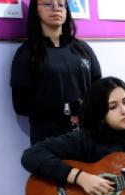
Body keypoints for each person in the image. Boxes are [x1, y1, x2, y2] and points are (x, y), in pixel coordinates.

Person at [11, 0, 101, 145]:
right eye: (48, 4)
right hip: (49, 140)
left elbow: (99, 88)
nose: (56, 9)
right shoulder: (27, 53)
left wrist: (86, 109)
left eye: (61, 4)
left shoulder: (82, 48)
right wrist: (66, 108)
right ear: (36, 10)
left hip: (87, 136)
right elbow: (21, 104)